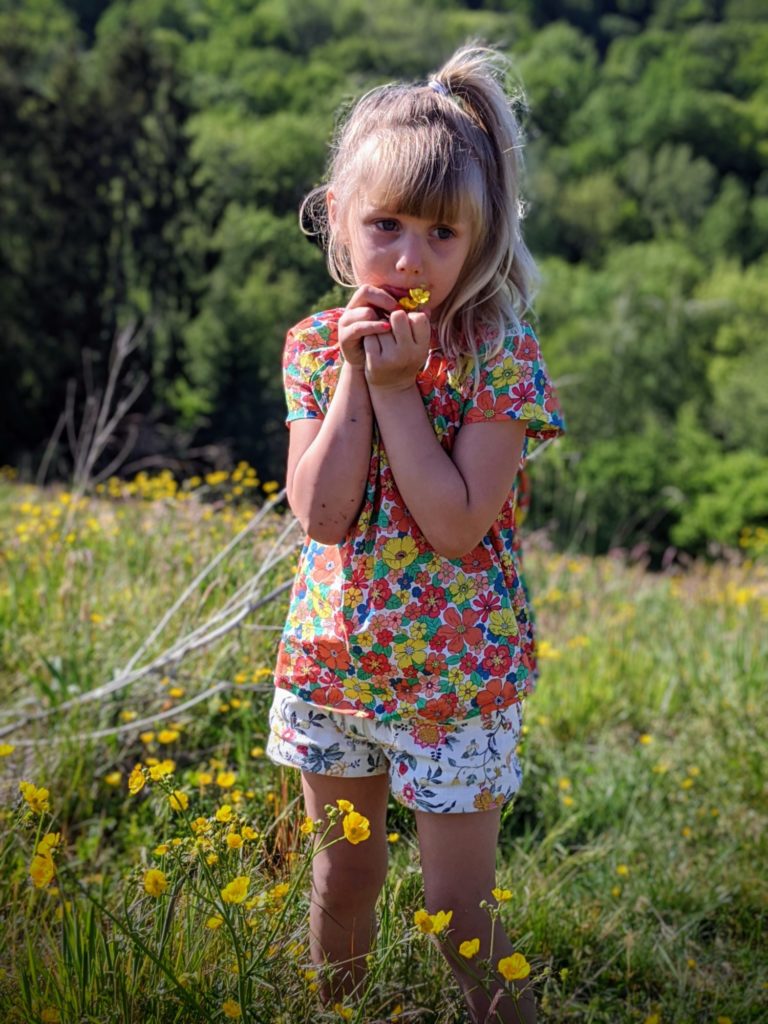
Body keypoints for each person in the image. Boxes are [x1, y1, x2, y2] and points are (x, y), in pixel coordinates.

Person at [266, 43, 565, 1024]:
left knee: (457, 916)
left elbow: (451, 524)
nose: (406, 257)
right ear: (341, 223)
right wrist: (359, 374)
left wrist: (400, 391)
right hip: (331, 666)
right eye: (385, 225)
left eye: (440, 233)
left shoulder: (499, 358)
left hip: (454, 681)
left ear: (477, 241)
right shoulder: (316, 346)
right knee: (342, 883)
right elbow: (319, 513)